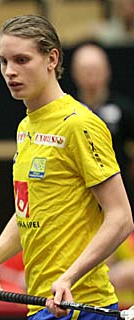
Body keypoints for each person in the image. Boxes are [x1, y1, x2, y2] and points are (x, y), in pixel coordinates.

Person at [0, 15, 133, 320]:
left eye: (21, 60)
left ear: (52, 59)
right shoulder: (27, 126)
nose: (10, 71)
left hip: (73, 309)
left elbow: (121, 217)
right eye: (3, 61)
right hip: (47, 306)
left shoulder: (79, 124)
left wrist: (69, 277)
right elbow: (28, 208)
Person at [70, 42, 134, 207]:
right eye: (85, 70)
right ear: (75, 73)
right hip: (79, 198)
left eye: (96, 69)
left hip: (119, 194)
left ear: (107, 71)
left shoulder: (123, 108)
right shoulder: (67, 111)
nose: (91, 74)